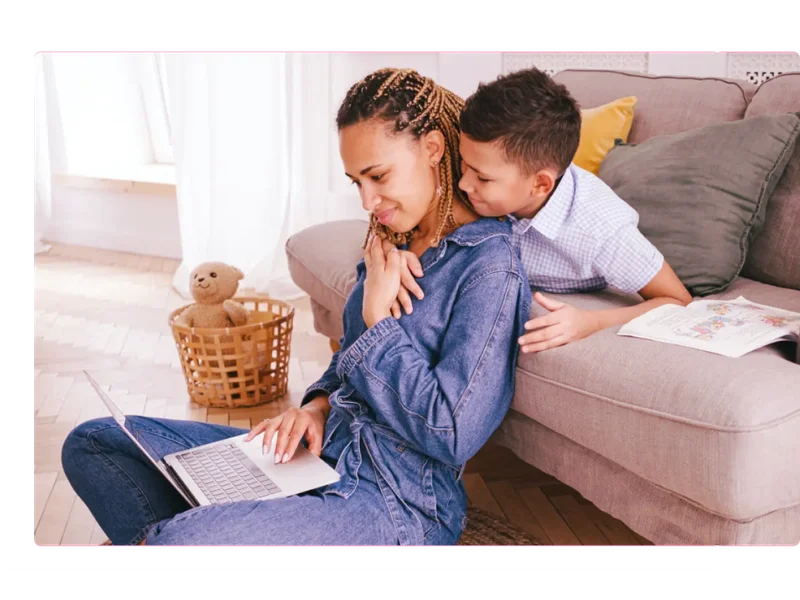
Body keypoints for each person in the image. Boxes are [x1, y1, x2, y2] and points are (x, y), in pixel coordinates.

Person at [60, 67, 531, 547]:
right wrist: (316, 408)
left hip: (395, 497)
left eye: (378, 176)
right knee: (95, 442)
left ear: (432, 148)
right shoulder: (389, 242)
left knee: (178, 543)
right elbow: (345, 367)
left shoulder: (490, 266)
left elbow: (453, 432)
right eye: (356, 182)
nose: (368, 201)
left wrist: (377, 324)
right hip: (316, 458)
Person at [387, 66, 692, 354]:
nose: (464, 183)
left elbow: (677, 300)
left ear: (540, 185)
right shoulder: (480, 164)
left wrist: (590, 322)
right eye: (464, 165)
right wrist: (388, 248)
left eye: (482, 177)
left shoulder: (601, 229)